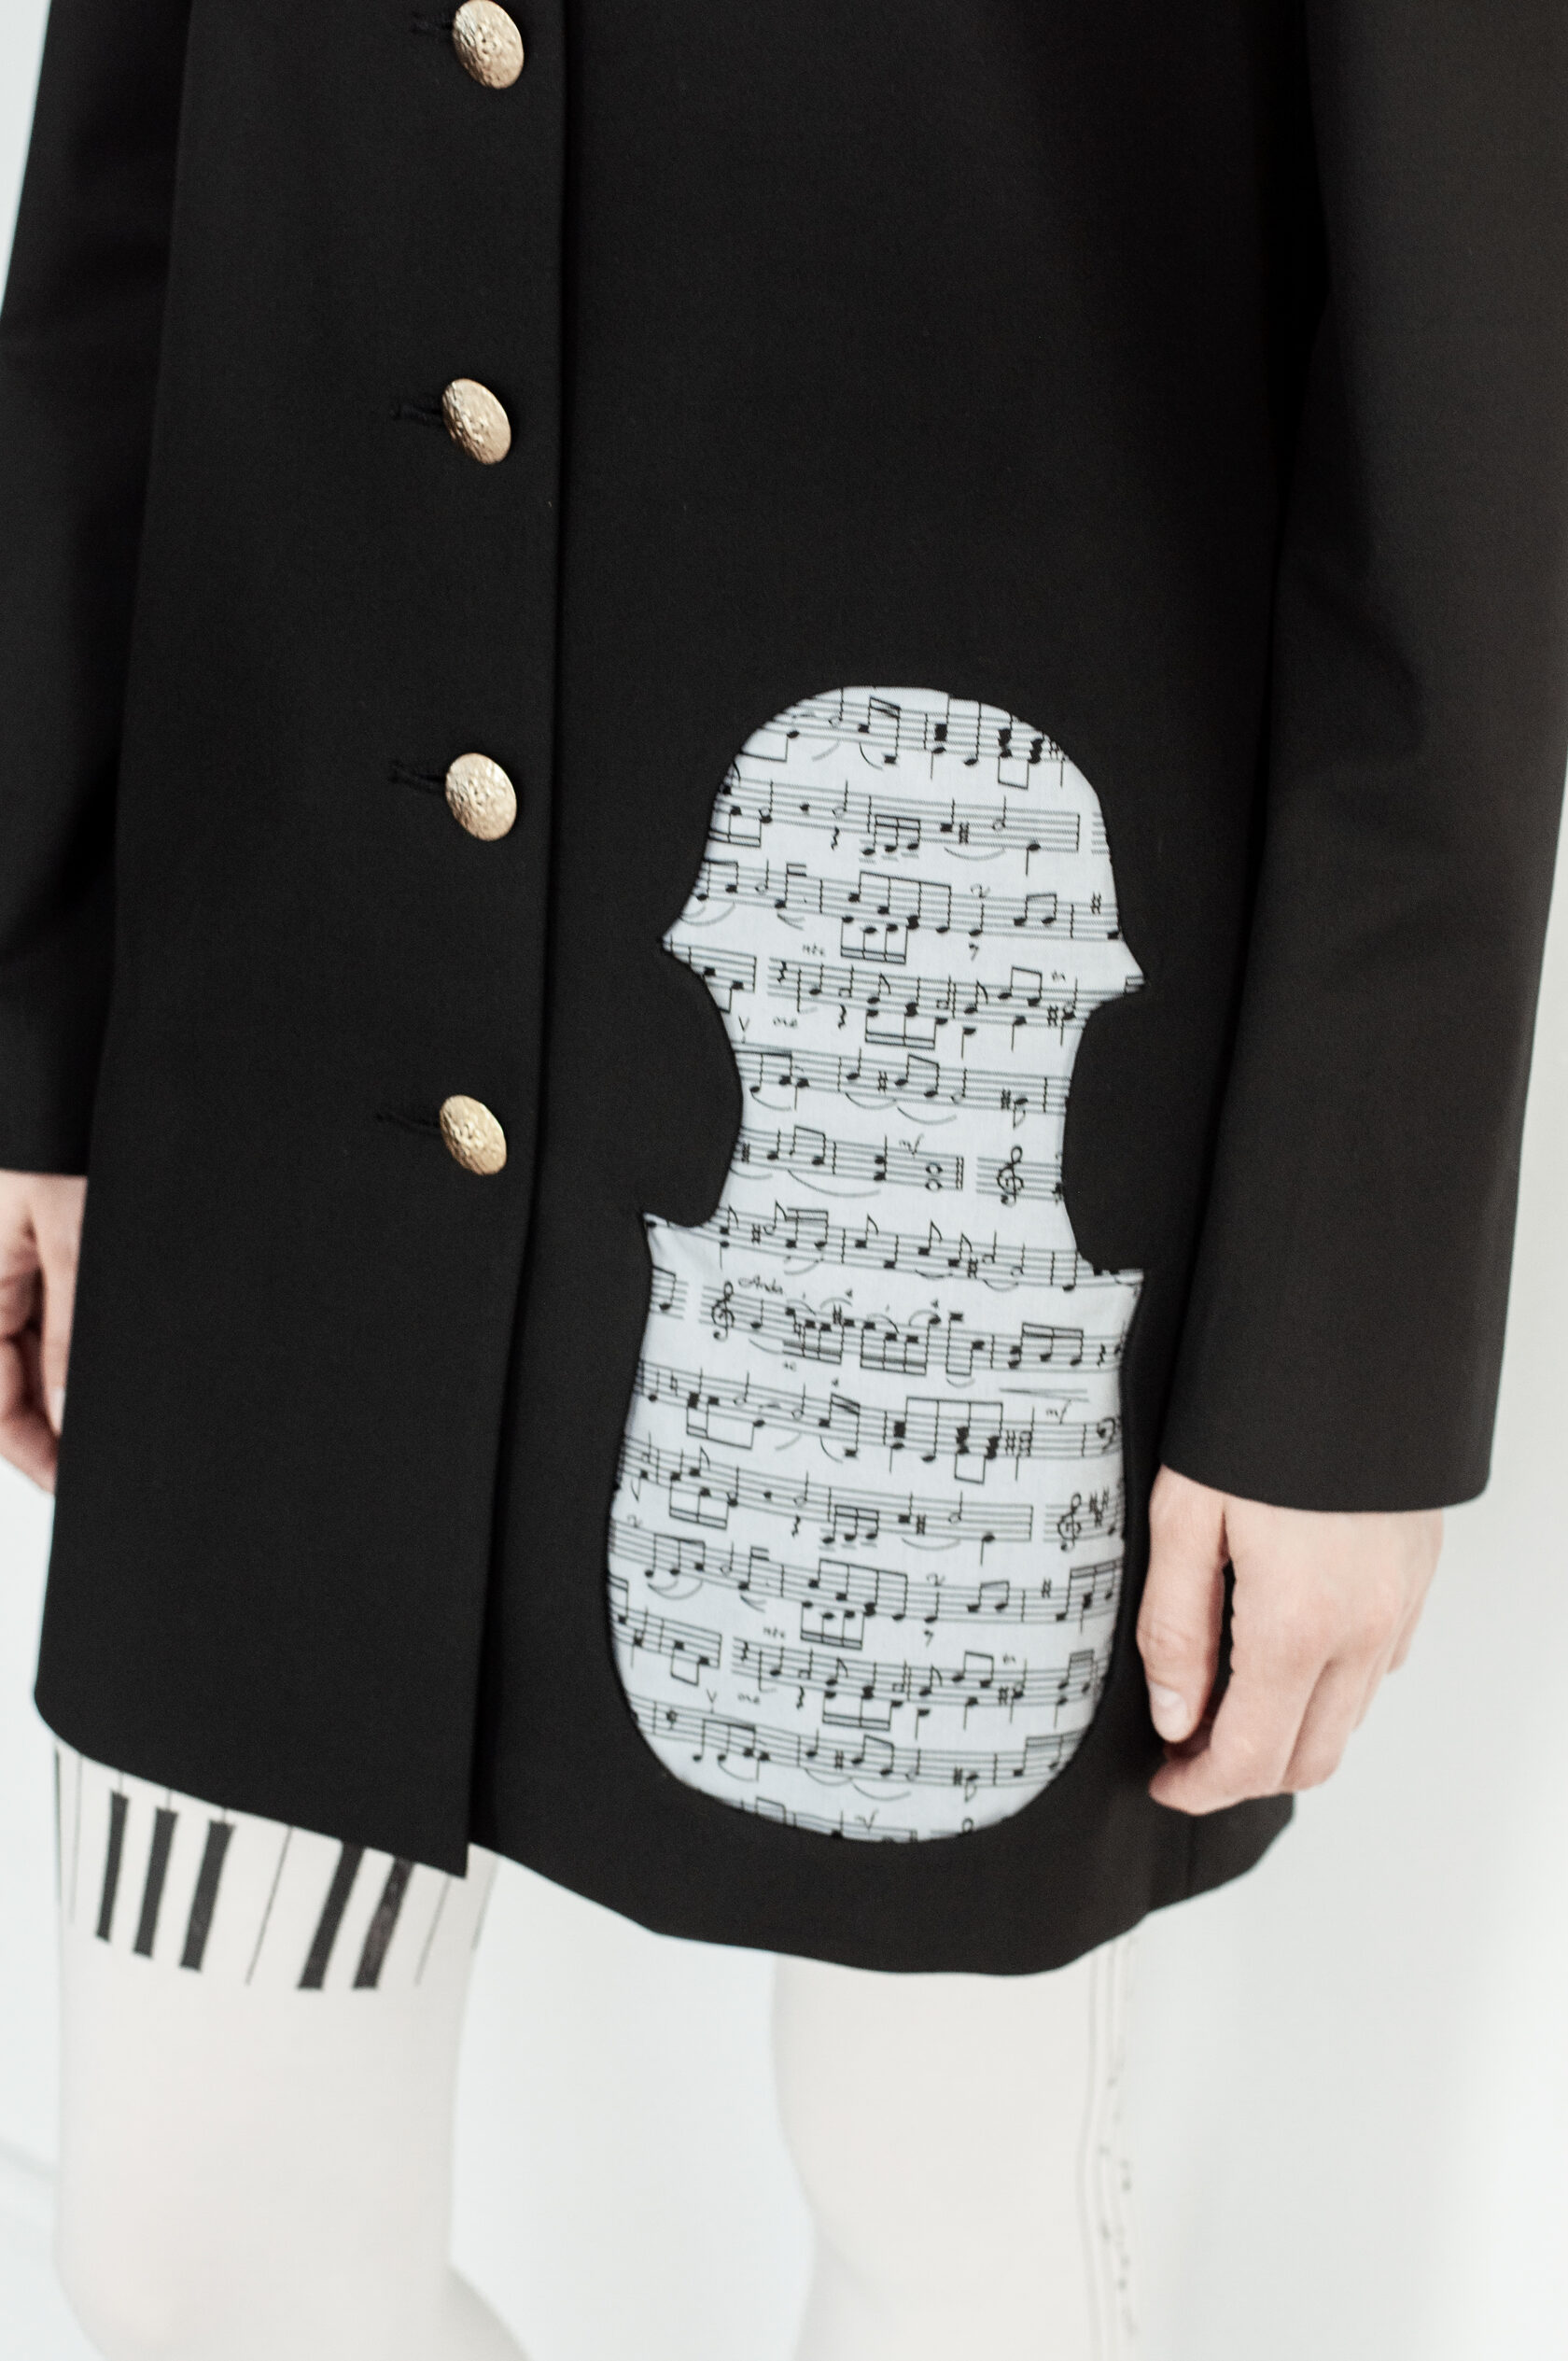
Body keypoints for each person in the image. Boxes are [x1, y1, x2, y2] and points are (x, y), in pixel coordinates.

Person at [0, 1, 1561, 2354]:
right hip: (283, 966)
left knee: (952, 2216)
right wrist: (31, 1000)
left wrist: (1346, 1322)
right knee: (191, 2231)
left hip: (927, 1049)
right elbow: (127, 159)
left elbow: (1475, 397)